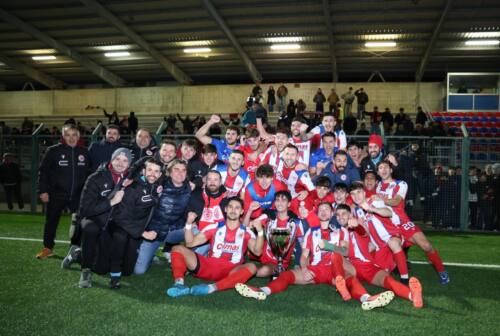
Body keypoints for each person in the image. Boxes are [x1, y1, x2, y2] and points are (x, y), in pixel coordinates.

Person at [235, 202, 395, 311]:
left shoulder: (341, 231)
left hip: (334, 269)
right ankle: (262, 290)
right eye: (321, 210)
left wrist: (331, 247)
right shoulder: (311, 232)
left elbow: (345, 252)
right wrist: (304, 268)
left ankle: (367, 299)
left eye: (327, 209)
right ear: (317, 214)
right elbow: (304, 255)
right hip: (315, 269)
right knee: (286, 275)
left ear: (332, 213)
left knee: (350, 280)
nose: (324, 212)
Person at [166, 197, 265, 297]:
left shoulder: (246, 232)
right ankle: (179, 284)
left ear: (242, 211)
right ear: (225, 209)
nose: (233, 210)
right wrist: (188, 224)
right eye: (230, 207)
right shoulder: (214, 227)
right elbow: (190, 243)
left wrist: (260, 232)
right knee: (177, 248)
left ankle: (211, 288)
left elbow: (257, 252)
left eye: (237, 208)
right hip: (208, 266)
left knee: (252, 267)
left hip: (231, 271)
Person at [333, 204, 423, 309]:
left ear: (350, 214)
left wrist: (357, 225)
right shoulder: (338, 233)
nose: (340, 217)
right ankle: (367, 298)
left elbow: (363, 232)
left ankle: (413, 295)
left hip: (368, 266)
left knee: (389, 281)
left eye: (344, 214)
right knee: (338, 260)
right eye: (338, 215)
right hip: (352, 267)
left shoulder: (358, 225)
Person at [376, 160, 450, 284]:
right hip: (386, 226)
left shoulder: (401, 184)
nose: (383, 170)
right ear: (377, 172)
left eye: (386, 167)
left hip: (402, 223)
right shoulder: (376, 185)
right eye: (380, 168)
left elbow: (396, 201)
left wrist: (381, 199)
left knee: (426, 246)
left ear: (391, 170)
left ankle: (442, 271)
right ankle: (400, 276)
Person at [78, 148, 132, 288]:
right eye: (117, 159)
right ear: (111, 160)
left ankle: (79, 255)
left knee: (103, 269)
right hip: (95, 218)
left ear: (129, 164)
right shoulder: (96, 177)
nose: (120, 163)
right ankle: (85, 269)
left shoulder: (131, 179)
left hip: (113, 221)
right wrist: (110, 202)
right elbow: (85, 209)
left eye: (125, 160)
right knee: (90, 229)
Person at [36, 124, 90, 259]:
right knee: (51, 221)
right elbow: (43, 172)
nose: (71, 138)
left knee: (79, 222)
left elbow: (90, 174)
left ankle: (75, 249)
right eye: (68, 135)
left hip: (78, 195)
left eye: (74, 135)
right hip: (56, 194)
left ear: (78, 136)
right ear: (63, 136)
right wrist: (43, 191)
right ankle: (48, 248)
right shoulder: (53, 151)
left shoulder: (85, 152)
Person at [107, 158, 163, 288]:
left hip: (136, 229)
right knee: (119, 239)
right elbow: (121, 216)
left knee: (128, 270)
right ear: (143, 171)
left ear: (160, 174)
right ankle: (114, 276)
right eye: (149, 170)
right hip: (121, 225)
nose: (152, 174)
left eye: (156, 171)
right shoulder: (132, 188)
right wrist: (143, 233)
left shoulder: (156, 187)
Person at [134, 159, 192, 275]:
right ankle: (141, 248)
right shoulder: (158, 184)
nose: (180, 173)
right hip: (154, 232)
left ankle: (192, 264)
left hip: (174, 230)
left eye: (183, 170)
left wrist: (190, 223)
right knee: (139, 271)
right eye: (176, 169)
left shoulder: (189, 188)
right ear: (169, 172)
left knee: (197, 231)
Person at [350, 181, 410, 284]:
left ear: (364, 193)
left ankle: (405, 279)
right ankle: (395, 262)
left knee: (393, 243)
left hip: (392, 235)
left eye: (359, 192)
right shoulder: (356, 211)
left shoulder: (374, 201)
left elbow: (388, 213)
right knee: (381, 273)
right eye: (353, 194)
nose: (356, 196)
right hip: (378, 245)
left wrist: (372, 209)